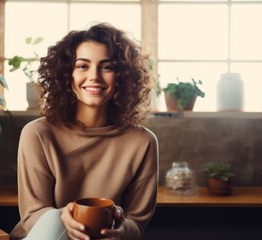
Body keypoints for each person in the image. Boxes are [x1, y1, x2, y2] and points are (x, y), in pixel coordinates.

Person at [10, 23, 159, 240]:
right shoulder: (37, 134)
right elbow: (33, 215)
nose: (94, 76)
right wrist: (65, 219)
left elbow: (136, 224)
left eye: (107, 67)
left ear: (122, 76)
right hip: (46, 236)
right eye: (82, 66)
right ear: (66, 75)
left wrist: (121, 229)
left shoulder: (143, 142)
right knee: (52, 221)